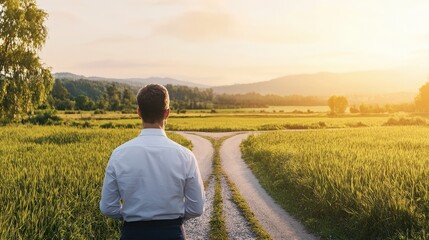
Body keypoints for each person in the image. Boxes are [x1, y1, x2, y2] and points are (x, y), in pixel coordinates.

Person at [100, 84, 205, 240]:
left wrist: (131, 217)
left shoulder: (119, 154)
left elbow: (108, 207)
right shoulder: (185, 156)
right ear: (167, 113)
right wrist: (173, 219)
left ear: (139, 112)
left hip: (133, 233)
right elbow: (196, 208)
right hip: (172, 233)